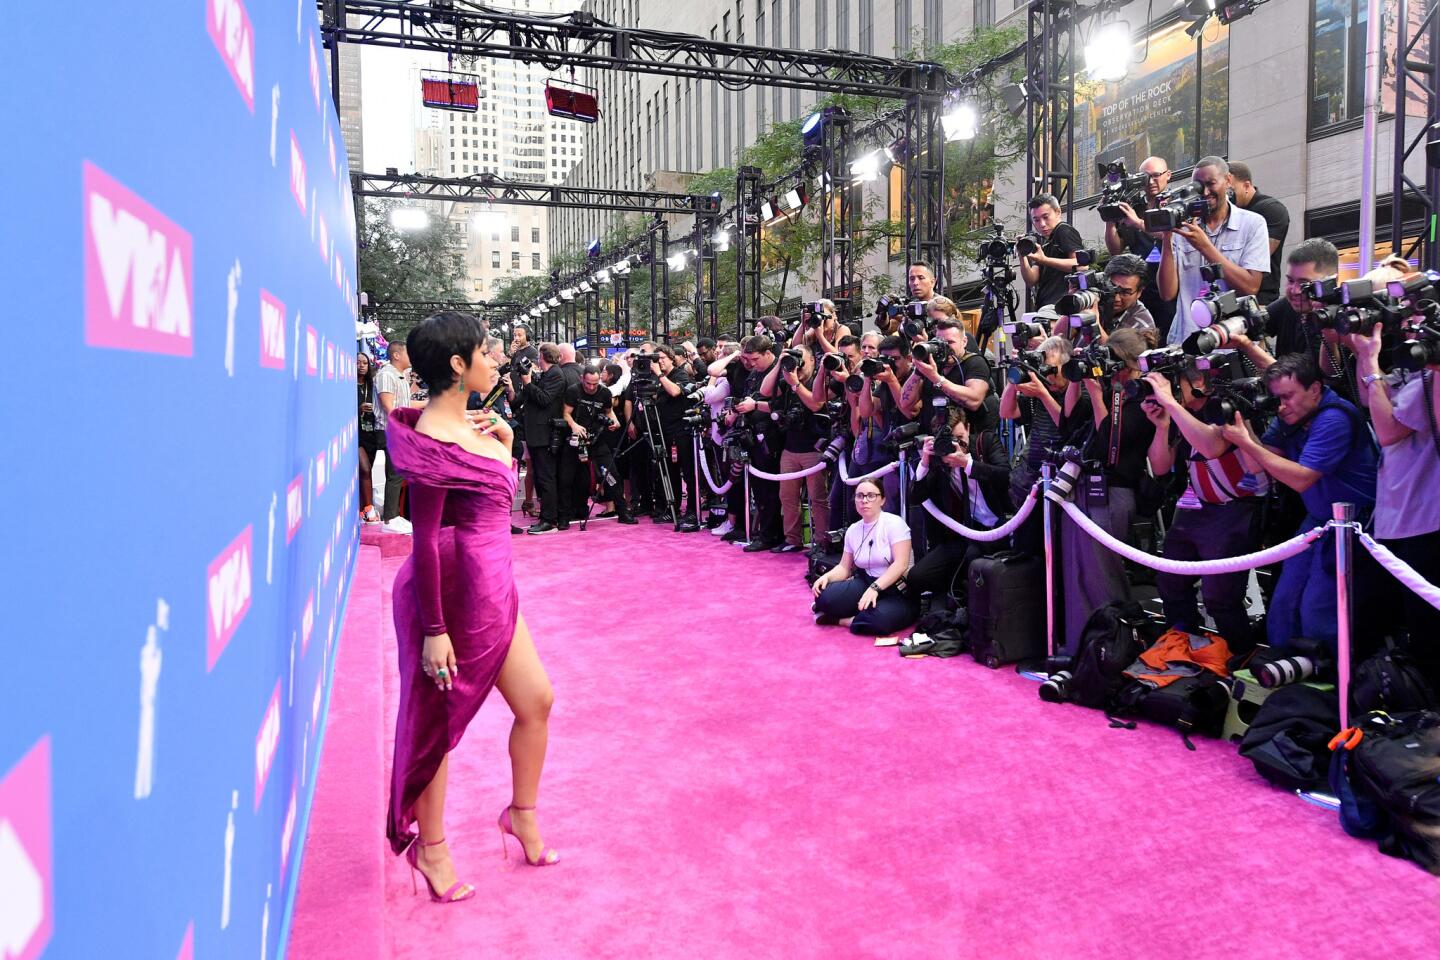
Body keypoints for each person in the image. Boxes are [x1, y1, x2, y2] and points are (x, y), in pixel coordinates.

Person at [384, 312, 559, 903]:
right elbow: (427, 539)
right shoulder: (431, 437)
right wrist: (434, 629)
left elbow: (494, 496)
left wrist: (505, 443)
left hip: (493, 587)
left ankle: (521, 813)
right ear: (458, 366)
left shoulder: (477, 427)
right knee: (439, 725)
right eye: (486, 352)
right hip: (447, 594)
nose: (495, 360)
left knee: (537, 700)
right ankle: (431, 850)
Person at [1221, 353, 1378, 652]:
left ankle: (1328, 682)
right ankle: (1284, 672)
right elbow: (1259, 465)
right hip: (1319, 518)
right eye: (1277, 397)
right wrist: (1244, 425)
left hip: (1354, 523)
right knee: (1283, 603)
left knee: (1317, 609)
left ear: (1315, 389)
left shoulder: (1335, 417)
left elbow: (1301, 478)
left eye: (1288, 396)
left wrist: (1244, 442)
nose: (1281, 406)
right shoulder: (1290, 415)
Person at [1141, 362, 1268, 650]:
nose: (1164, 390)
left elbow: (1212, 447)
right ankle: (1182, 647)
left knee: (1219, 596)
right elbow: (1160, 467)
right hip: (1197, 506)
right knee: (1170, 582)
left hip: (1237, 507)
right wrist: (1162, 427)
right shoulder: (1175, 412)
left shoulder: (1224, 404)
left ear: (1198, 380)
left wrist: (1171, 404)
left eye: (1173, 382)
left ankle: (1239, 658)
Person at [1058, 328, 1156, 653]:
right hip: (1085, 489)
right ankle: (1082, 646)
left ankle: (1114, 646)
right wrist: (1077, 377)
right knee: (1078, 574)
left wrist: (1098, 396)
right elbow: (1069, 421)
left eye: (1113, 362)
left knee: (1104, 575)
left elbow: (1109, 442)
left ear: (1129, 363)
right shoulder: (1112, 392)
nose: (1108, 370)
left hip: (1114, 492)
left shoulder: (1144, 397)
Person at [1352, 325, 1440, 681]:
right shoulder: (1414, 370)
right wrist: (1362, 354)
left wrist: (1371, 363)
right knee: (1377, 616)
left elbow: (1387, 431)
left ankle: (1427, 712)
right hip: (1395, 512)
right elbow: (1369, 398)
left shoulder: (1432, 376)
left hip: (1424, 516)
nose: (1407, 322)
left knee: (1425, 626)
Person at [1157, 156, 1271, 347]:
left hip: (1230, 341)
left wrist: (1205, 247)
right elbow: (1167, 293)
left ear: (1228, 181)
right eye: (1199, 187)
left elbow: (1250, 287)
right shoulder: (1183, 227)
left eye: (1211, 184)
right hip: (1186, 340)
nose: (1206, 192)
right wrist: (1167, 236)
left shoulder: (1252, 223)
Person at [905, 405, 1013, 602]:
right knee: (917, 577)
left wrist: (968, 465)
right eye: (951, 440)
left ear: (969, 429)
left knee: (973, 560)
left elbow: (1006, 476)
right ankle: (953, 599)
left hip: (1000, 528)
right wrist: (925, 463)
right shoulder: (939, 460)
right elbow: (915, 498)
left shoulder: (985, 442)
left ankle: (971, 608)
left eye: (960, 438)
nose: (958, 446)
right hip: (962, 535)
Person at [810, 479, 919, 635]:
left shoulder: (895, 524)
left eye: (871, 495)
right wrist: (826, 577)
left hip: (897, 589)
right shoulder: (853, 530)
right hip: (865, 581)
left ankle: (843, 620)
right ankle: (863, 612)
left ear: (882, 500)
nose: (864, 500)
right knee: (823, 597)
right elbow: (844, 568)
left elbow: (901, 564)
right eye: (860, 496)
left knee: (880, 622)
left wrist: (875, 588)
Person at [760, 343, 832, 554]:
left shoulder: (820, 380)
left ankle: (822, 542)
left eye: (800, 358)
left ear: (812, 360)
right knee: (788, 497)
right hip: (790, 448)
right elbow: (764, 391)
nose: (797, 363)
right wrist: (779, 364)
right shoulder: (788, 377)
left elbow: (816, 404)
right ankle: (792, 539)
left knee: (818, 498)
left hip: (814, 448)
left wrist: (795, 385)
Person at [1103, 155, 1177, 338]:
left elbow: (1173, 235)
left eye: (1156, 175)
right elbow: (1115, 249)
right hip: (1138, 290)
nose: (1151, 181)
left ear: (1168, 175)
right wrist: (1109, 220)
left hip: (1170, 288)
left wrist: (1138, 223)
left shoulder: (1175, 204)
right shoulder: (1133, 205)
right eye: (1145, 177)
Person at [561, 362, 637, 525]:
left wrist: (615, 422)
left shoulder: (604, 393)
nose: (591, 387)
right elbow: (566, 413)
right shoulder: (573, 391)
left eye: (595, 384)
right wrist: (574, 425)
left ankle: (623, 511)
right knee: (568, 478)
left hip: (598, 439)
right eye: (588, 383)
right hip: (576, 440)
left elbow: (608, 411)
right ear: (582, 379)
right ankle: (565, 516)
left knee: (611, 475)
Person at [730, 335, 786, 550]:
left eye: (754, 359)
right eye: (747, 359)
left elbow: (779, 405)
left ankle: (771, 534)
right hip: (753, 435)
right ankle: (763, 532)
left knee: (771, 490)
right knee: (760, 489)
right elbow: (748, 396)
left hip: (773, 437)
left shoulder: (781, 370)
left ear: (768, 353)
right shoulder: (754, 374)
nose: (750, 364)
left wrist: (754, 406)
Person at [1228, 161, 1291, 305]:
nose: (1227, 197)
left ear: (1246, 185)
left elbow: (1257, 258)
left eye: (1231, 191)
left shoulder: (1270, 209)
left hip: (1259, 302)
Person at [519, 343, 566, 534]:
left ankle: (549, 520)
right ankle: (545, 517)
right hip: (537, 434)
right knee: (541, 478)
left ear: (543, 356)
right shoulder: (548, 374)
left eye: (539, 355)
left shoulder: (556, 374)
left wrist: (529, 382)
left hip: (545, 435)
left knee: (546, 479)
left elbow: (545, 399)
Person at [1018, 193, 1085, 310]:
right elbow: (1031, 280)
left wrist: (1045, 260)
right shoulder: (1044, 242)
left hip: (1061, 307)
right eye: (1036, 220)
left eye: (1046, 217)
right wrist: (1022, 254)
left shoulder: (1063, 230)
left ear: (1058, 212)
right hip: (1046, 307)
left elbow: (1081, 266)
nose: (1042, 224)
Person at [376, 342, 416, 532]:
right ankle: (390, 519)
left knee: (398, 474)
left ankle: (394, 515)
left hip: (399, 429)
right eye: (408, 353)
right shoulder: (386, 374)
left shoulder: (401, 376)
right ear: (397, 355)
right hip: (389, 429)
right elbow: (388, 405)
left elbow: (406, 403)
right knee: (394, 474)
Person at [357, 351, 382, 524]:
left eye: (365, 363)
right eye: (358, 363)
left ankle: (362, 509)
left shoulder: (372, 385)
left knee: (365, 472)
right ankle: (368, 508)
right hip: (355, 433)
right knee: (365, 469)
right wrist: (359, 408)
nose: (361, 366)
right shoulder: (347, 384)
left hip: (370, 433)